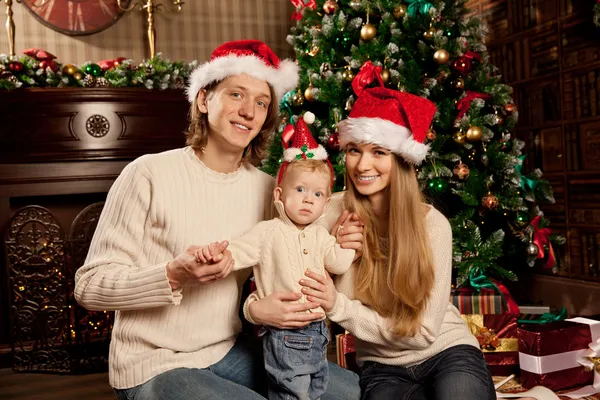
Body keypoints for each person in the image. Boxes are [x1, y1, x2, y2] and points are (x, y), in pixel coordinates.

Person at [74, 39, 360, 400]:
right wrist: (173, 274)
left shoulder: (268, 189)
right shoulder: (148, 173)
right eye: (236, 94)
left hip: (226, 351)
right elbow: (89, 286)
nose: (249, 112)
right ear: (204, 99)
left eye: (261, 102)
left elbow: (299, 245)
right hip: (153, 364)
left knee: (352, 393)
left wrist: (345, 233)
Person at [293, 86, 497, 399]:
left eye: (379, 152)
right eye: (354, 150)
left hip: (446, 349)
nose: (362, 166)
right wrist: (336, 253)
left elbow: (424, 334)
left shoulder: (432, 226)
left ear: (401, 160)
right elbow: (291, 269)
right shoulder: (328, 212)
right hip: (380, 365)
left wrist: (338, 306)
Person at [197, 112, 355, 400]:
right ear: (279, 195)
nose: (309, 199)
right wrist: (217, 254)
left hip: (320, 332)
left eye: (318, 195)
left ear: (326, 202)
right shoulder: (268, 232)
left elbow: (339, 262)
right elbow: (238, 251)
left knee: (316, 389)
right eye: (300, 190)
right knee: (290, 392)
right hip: (283, 334)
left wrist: (348, 241)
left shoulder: (322, 235)